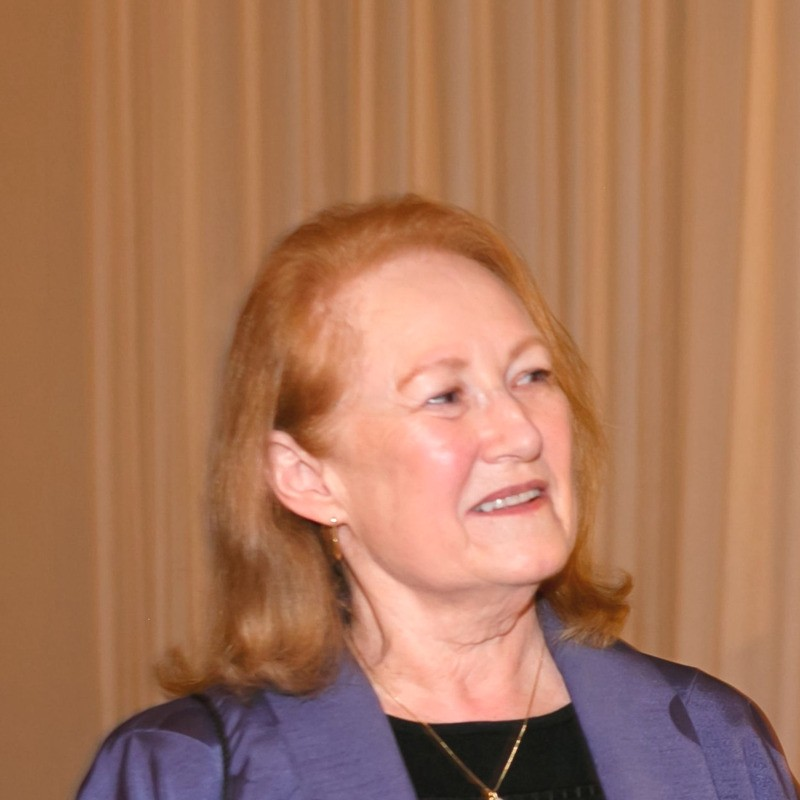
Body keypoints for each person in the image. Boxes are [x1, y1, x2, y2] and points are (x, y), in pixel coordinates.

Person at [77, 195, 798, 800]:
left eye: (531, 376)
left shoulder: (713, 744)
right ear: (307, 478)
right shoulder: (192, 774)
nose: (520, 432)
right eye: (445, 395)